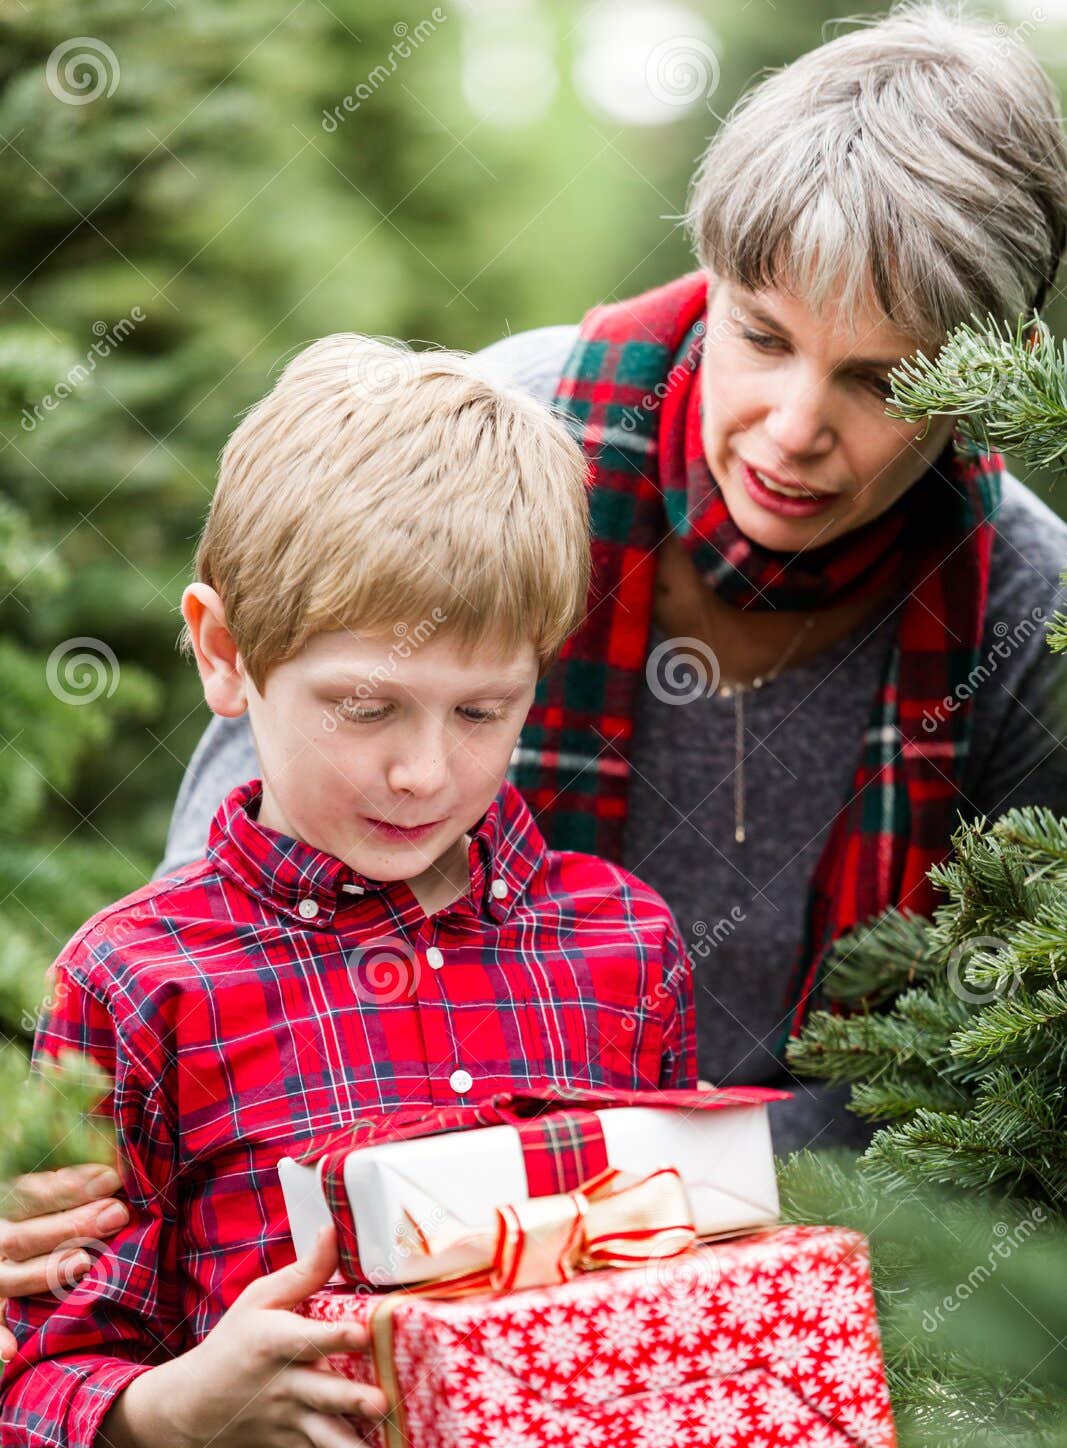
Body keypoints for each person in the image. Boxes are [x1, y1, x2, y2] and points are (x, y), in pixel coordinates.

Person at [6, 2, 1067, 1349]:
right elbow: (230, 893)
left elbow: (967, 1081)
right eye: (760, 337)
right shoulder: (514, 451)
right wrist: (103, 1144)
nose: (794, 428)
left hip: (760, 1264)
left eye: (878, 380)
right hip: (367, 1206)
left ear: (989, 376)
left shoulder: (1018, 612)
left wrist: (655, 1218)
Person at [0, 335, 703, 1448]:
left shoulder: (624, 946)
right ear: (224, 652)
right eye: (367, 707)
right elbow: (39, 1391)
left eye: (482, 710)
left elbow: (678, 1293)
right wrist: (188, 1407)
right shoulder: (136, 982)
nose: (425, 770)